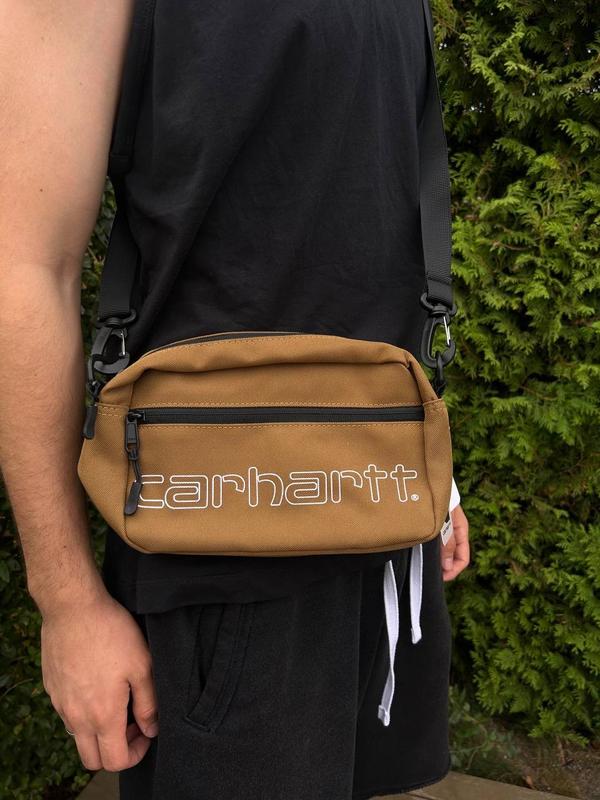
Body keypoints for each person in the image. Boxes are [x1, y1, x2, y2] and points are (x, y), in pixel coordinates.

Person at [0, 1, 470, 798]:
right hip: (220, 563)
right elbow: (23, 268)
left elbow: (355, 213)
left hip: (384, 510)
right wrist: (69, 602)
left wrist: (430, 473)